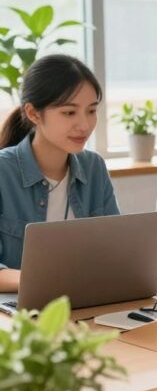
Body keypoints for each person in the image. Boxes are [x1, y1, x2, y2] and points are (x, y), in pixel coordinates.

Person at [0, 54, 119, 291]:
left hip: (86, 302)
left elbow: (115, 251)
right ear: (34, 114)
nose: (84, 125)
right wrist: (49, 282)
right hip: (19, 315)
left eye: (91, 111)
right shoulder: (4, 172)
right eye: (69, 113)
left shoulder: (93, 167)